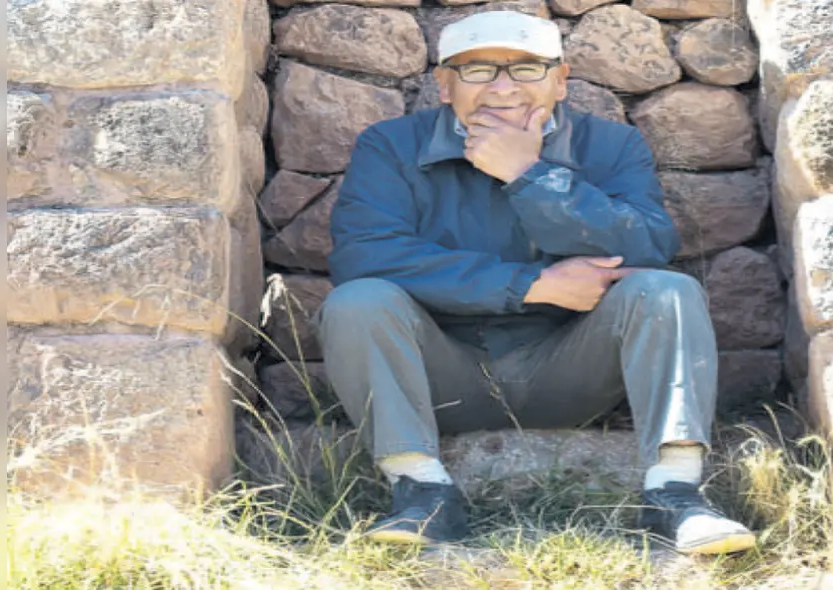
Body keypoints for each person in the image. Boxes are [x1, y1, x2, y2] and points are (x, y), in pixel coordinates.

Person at [316, 10, 756, 555]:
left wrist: (530, 176)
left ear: (561, 80)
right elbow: (365, 255)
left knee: (668, 291)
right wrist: (531, 284)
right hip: (439, 378)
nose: (503, 88)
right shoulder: (390, 145)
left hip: (570, 370)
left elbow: (647, 247)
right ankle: (421, 490)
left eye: (527, 69)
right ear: (443, 83)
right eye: (477, 70)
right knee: (359, 301)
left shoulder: (611, 146)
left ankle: (676, 494)